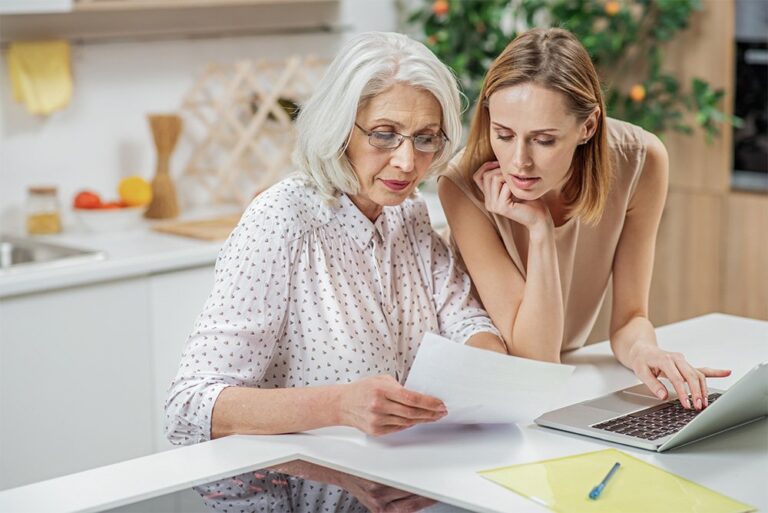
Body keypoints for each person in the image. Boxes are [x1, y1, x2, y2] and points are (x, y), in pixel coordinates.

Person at [165, 32, 505, 445]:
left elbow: (464, 318)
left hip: (399, 477)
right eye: (384, 133)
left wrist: (492, 372)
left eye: (425, 138)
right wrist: (340, 406)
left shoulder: (409, 211)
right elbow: (190, 404)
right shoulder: (281, 220)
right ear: (340, 128)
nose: (407, 161)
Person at [438, 28, 730, 411]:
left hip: (564, 379)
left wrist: (644, 350)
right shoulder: (462, 186)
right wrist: (540, 231)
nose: (518, 161)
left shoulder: (640, 162)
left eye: (544, 140)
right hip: (490, 391)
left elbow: (630, 318)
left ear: (588, 126)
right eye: (504, 134)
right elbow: (534, 362)